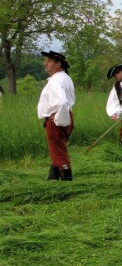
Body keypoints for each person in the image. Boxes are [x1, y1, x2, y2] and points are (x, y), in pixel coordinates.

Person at [37, 50, 75, 181]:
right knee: (57, 151)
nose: (45, 64)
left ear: (58, 63)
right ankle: (52, 179)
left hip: (56, 119)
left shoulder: (56, 81)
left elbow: (62, 102)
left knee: (59, 153)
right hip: (62, 116)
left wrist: (58, 118)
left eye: (48, 61)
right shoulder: (64, 78)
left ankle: (67, 182)